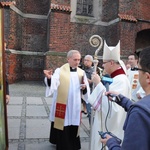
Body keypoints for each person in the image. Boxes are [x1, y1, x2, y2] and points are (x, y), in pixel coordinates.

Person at [101, 46, 150, 150]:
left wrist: (112, 143)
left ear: (147, 77)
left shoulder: (139, 113)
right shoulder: (141, 110)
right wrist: (124, 101)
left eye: (138, 69)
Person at [87, 41, 131, 150]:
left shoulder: (121, 80)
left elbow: (113, 109)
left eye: (104, 62)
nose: (102, 65)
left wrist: (98, 84)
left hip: (111, 127)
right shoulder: (115, 78)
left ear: (111, 63)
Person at [43, 50, 90, 150]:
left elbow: (86, 88)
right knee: (63, 123)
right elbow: (54, 83)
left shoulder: (81, 72)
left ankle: (73, 145)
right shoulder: (60, 71)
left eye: (79, 60)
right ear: (68, 59)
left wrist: (84, 88)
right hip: (63, 104)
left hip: (76, 104)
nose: (77, 62)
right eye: (75, 60)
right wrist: (49, 78)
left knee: (74, 123)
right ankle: (63, 145)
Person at [82, 55, 94, 123]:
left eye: (87, 60)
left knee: (90, 112)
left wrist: (86, 80)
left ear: (91, 62)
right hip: (83, 92)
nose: (86, 62)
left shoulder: (93, 71)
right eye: (85, 60)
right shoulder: (82, 70)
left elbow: (93, 82)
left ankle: (92, 127)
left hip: (90, 93)